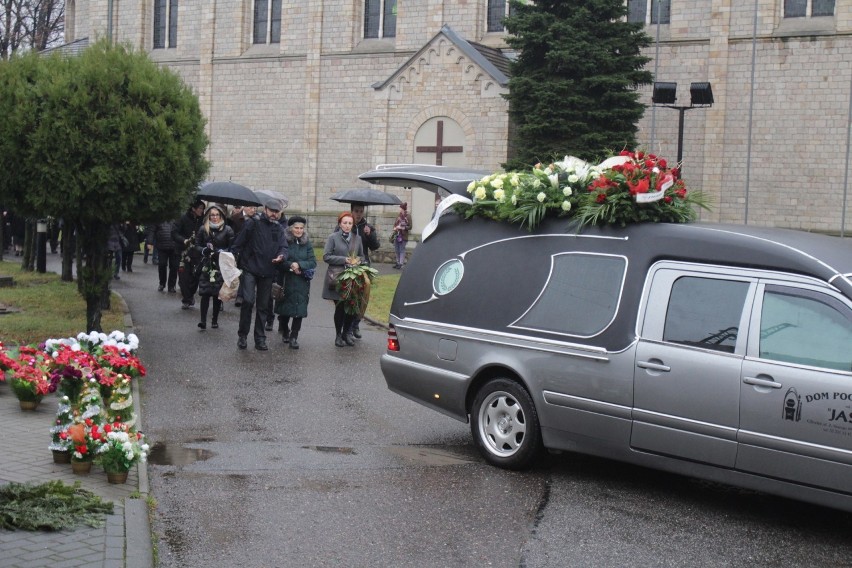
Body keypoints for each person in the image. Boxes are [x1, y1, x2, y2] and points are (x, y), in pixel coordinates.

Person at [230, 199, 288, 350]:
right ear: (265, 210)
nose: (274, 214)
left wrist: (282, 256)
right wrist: (234, 261)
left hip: (268, 271)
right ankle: (242, 335)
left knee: (263, 306)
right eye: (272, 211)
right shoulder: (253, 223)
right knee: (248, 301)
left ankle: (260, 338)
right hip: (250, 268)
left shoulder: (279, 229)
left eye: (277, 212)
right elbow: (238, 243)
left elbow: (284, 247)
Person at [323, 211, 365, 347]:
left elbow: (362, 256)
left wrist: (357, 261)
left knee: (351, 308)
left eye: (350, 223)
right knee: (340, 308)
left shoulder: (357, 239)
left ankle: (347, 333)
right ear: (340, 224)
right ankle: (338, 335)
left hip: (353, 278)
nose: (347, 226)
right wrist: (344, 260)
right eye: (345, 223)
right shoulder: (333, 238)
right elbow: (326, 256)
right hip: (337, 278)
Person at [274, 216, 316, 349]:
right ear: (291, 229)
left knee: (299, 309)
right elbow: (279, 262)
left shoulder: (306, 243)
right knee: (285, 309)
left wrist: (299, 264)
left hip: (302, 281)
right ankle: (285, 330)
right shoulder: (284, 241)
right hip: (287, 280)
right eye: (296, 228)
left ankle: (294, 336)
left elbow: (312, 261)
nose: (299, 231)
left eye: (301, 228)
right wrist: (290, 265)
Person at [194, 205, 235, 330]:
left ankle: (215, 319)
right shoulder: (203, 229)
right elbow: (197, 245)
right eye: (212, 215)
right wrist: (204, 250)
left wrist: (223, 252)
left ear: (221, 216)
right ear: (208, 216)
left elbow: (232, 248)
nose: (215, 217)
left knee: (217, 294)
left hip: (221, 265)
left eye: (217, 215)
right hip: (207, 264)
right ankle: (203, 321)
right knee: (205, 292)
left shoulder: (227, 230)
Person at [348, 203, 380, 338]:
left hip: (363, 265)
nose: (359, 214)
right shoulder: (346, 224)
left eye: (361, 211)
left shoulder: (368, 227)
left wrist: (370, 234)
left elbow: (375, 246)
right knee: (350, 298)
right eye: (356, 211)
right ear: (352, 211)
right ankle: (347, 327)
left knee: (362, 298)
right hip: (349, 266)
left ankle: (356, 324)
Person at [172, 200, 205, 309]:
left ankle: (190, 295)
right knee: (183, 277)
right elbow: (174, 233)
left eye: (203, 208)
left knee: (195, 276)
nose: (201, 210)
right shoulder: (183, 218)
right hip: (182, 252)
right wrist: (183, 240)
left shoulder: (203, 220)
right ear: (193, 209)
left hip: (196, 253)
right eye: (200, 208)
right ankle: (186, 299)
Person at [229, 204, 259, 308]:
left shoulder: (256, 220)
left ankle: (241, 296)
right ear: (244, 207)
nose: (253, 210)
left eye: (255, 208)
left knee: (245, 275)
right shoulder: (235, 218)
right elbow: (232, 233)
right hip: (240, 249)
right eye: (251, 207)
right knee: (239, 274)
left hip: (250, 253)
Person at [154, 220, 179, 293]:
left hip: (174, 247)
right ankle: (162, 283)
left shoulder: (177, 219)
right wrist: (149, 241)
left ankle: (171, 286)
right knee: (162, 265)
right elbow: (152, 230)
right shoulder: (160, 218)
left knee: (174, 267)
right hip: (162, 247)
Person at [392, 202, 412, 269]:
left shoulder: (408, 216)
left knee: (401, 250)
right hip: (397, 235)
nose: (399, 209)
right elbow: (395, 224)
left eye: (400, 208)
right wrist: (395, 228)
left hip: (403, 236)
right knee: (396, 249)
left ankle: (401, 263)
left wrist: (402, 228)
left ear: (402, 208)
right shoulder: (398, 216)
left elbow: (410, 226)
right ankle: (397, 262)